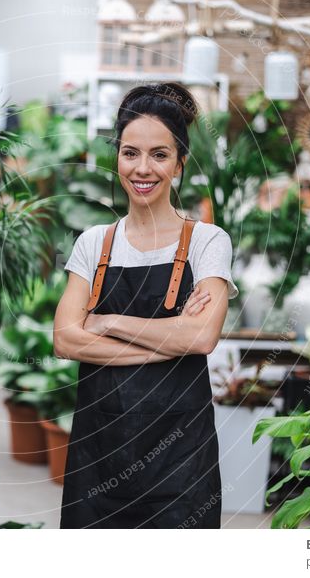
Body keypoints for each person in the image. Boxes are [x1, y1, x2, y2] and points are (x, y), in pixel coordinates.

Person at [53, 82, 239, 529]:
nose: (143, 168)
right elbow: (64, 339)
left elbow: (201, 336)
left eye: (159, 154)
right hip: (97, 458)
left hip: (180, 464)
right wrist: (167, 342)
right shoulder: (93, 243)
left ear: (179, 163)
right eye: (130, 152)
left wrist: (107, 321)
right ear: (117, 156)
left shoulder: (207, 243)